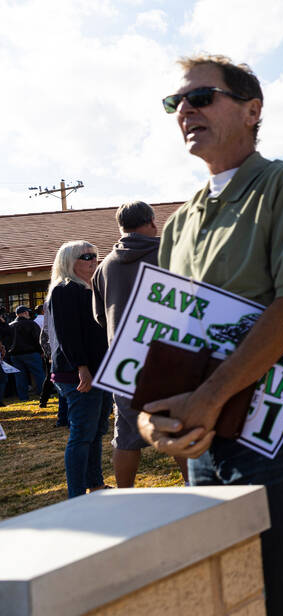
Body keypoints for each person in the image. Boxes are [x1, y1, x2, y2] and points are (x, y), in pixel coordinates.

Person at [137, 54, 283, 615]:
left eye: (200, 97)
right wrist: (150, 413)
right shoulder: (178, 222)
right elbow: (166, 335)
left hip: (280, 422)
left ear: (252, 110)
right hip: (205, 427)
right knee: (228, 588)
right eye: (175, 102)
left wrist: (207, 397)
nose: (184, 110)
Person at [91, 201, 188, 487]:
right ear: (152, 222)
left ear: (121, 227)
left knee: (126, 432)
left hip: (124, 359)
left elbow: (99, 317)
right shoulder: (169, 254)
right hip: (168, 355)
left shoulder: (104, 267)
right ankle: (194, 486)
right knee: (176, 424)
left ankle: (125, 493)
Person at [47, 240, 111, 498]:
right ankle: (76, 496)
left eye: (95, 255)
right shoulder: (64, 290)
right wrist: (81, 368)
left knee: (96, 431)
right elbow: (67, 335)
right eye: (85, 256)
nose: (93, 260)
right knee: (83, 434)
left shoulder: (91, 288)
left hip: (99, 369)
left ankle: (95, 484)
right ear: (69, 261)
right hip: (78, 373)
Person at [7, 306, 45, 400]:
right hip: (31, 353)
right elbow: (38, 339)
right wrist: (42, 351)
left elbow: (7, 341)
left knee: (20, 376)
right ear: (24, 313)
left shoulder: (10, 325)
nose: (29, 314)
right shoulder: (31, 323)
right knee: (39, 374)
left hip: (15, 355)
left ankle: (23, 397)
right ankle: (43, 394)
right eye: (28, 312)